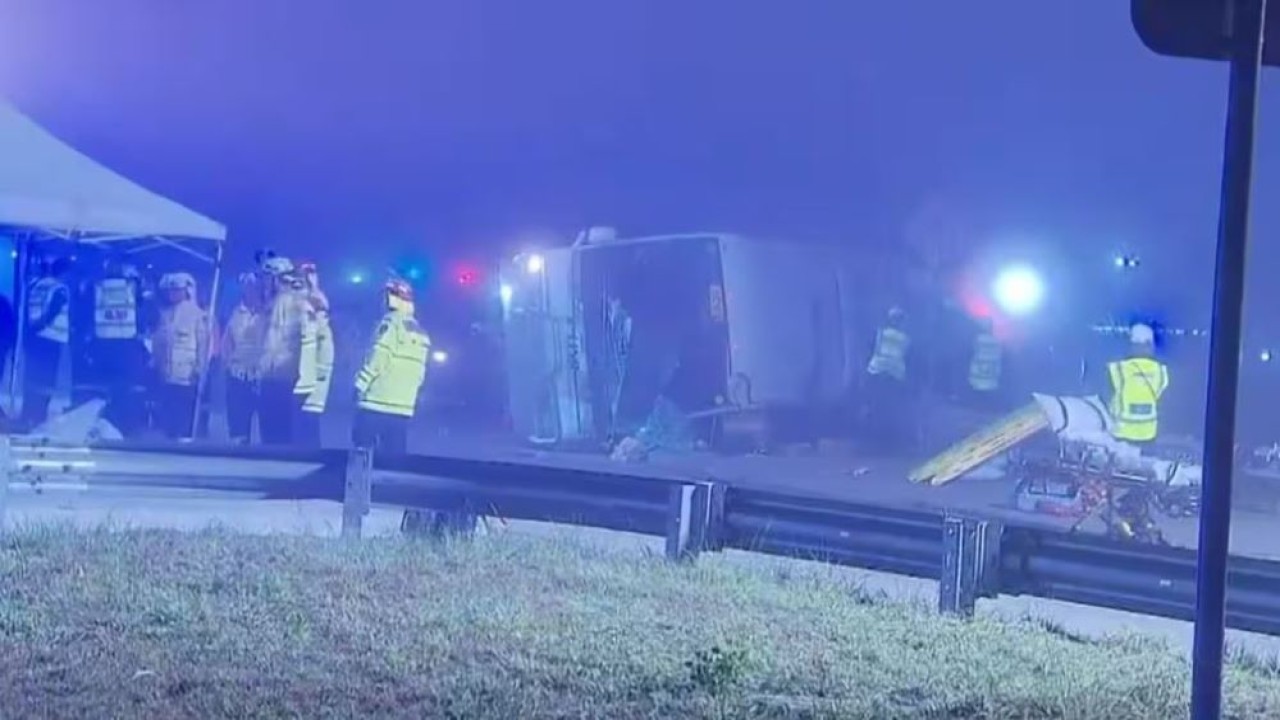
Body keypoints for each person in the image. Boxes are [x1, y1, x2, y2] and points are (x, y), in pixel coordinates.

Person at [353, 278, 430, 454]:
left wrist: (360, 384)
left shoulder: (390, 323)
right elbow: (420, 371)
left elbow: (378, 357)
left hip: (376, 401)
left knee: (362, 451)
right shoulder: (419, 331)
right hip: (403, 405)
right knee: (394, 456)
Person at [258, 257, 314, 445]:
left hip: (283, 377)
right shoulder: (275, 302)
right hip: (273, 375)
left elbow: (278, 343)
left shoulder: (291, 302)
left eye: (267, 278)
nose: (264, 283)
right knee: (272, 432)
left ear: (277, 278)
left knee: (277, 433)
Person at [150, 272, 210, 439]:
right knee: (170, 415)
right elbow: (159, 342)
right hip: (167, 374)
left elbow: (203, 345)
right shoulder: (165, 315)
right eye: (171, 290)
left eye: (176, 290)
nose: (172, 293)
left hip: (187, 376)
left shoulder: (197, 315)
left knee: (185, 414)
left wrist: (200, 369)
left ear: (185, 291)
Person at [91, 259, 147, 435]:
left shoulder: (99, 288)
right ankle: (124, 426)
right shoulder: (131, 290)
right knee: (126, 391)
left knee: (109, 389)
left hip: (104, 347)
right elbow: (144, 317)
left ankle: (107, 422)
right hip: (126, 348)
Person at [21, 257, 72, 429]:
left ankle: (28, 413)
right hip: (50, 339)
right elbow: (52, 312)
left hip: (33, 339)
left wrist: (31, 331)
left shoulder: (34, 286)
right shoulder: (60, 288)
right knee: (46, 380)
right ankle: (39, 416)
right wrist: (40, 326)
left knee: (31, 377)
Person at [221, 272, 266, 444]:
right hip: (238, 375)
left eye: (254, 287)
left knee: (267, 424)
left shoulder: (268, 312)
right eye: (247, 287)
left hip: (262, 376)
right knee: (238, 424)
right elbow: (226, 342)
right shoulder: (235, 313)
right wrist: (228, 365)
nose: (251, 291)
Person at [1107, 323, 1169, 446]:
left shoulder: (1118, 369)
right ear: (1150, 345)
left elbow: (1106, 394)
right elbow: (1161, 395)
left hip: (1122, 434)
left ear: (1133, 345)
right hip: (1149, 434)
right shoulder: (1161, 371)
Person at [860, 305, 912, 452]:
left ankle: (871, 440)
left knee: (873, 406)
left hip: (876, 370)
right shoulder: (906, 338)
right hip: (894, 374)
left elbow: (870, 349)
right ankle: (889, 441)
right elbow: (907, 356)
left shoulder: (880, 333)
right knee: (892, 409)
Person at [297, 262, 333, 447]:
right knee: (304, 427)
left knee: (307, 429)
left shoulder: (318, 318)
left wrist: (318, 375)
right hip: (305, 381)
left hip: (311, 385)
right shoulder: (306, 304)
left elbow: (325, 352)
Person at [967, 317, 1003, 407]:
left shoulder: (978, 338)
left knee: (982, 394)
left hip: (985, 370)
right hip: (985, 371)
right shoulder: (993, 339)